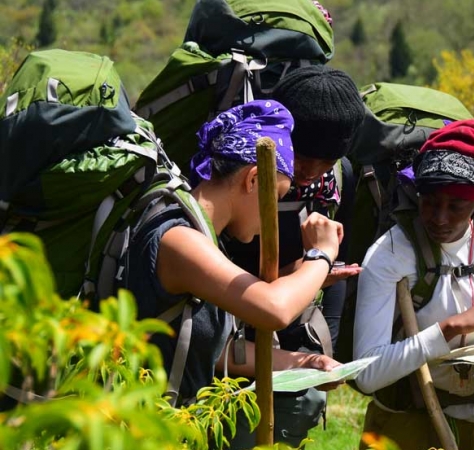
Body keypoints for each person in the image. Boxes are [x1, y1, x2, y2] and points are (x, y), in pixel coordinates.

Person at [122, 100, 344, 411]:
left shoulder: (202, 235)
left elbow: (216, 349)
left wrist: (305, 363)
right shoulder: (179, 238)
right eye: (276, 197)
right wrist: (321, 254)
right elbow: (274, 308)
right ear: (253, 179)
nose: (274, 215)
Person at [353, 119, 474, 450]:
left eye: (456, 207)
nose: (440, 218)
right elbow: (366, 374)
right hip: (405, 420)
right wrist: (449, 329)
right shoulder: (392, 251)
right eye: (430, 202)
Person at [221, 65, 366, 448]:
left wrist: (324, 346)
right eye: (302, 159)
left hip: (287, 322)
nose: (310, 173)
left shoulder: (338, 180)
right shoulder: (244, 170)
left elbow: (332, 269)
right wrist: (305, 268)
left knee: (292, 414)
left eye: (325, 162)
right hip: (226, 321)